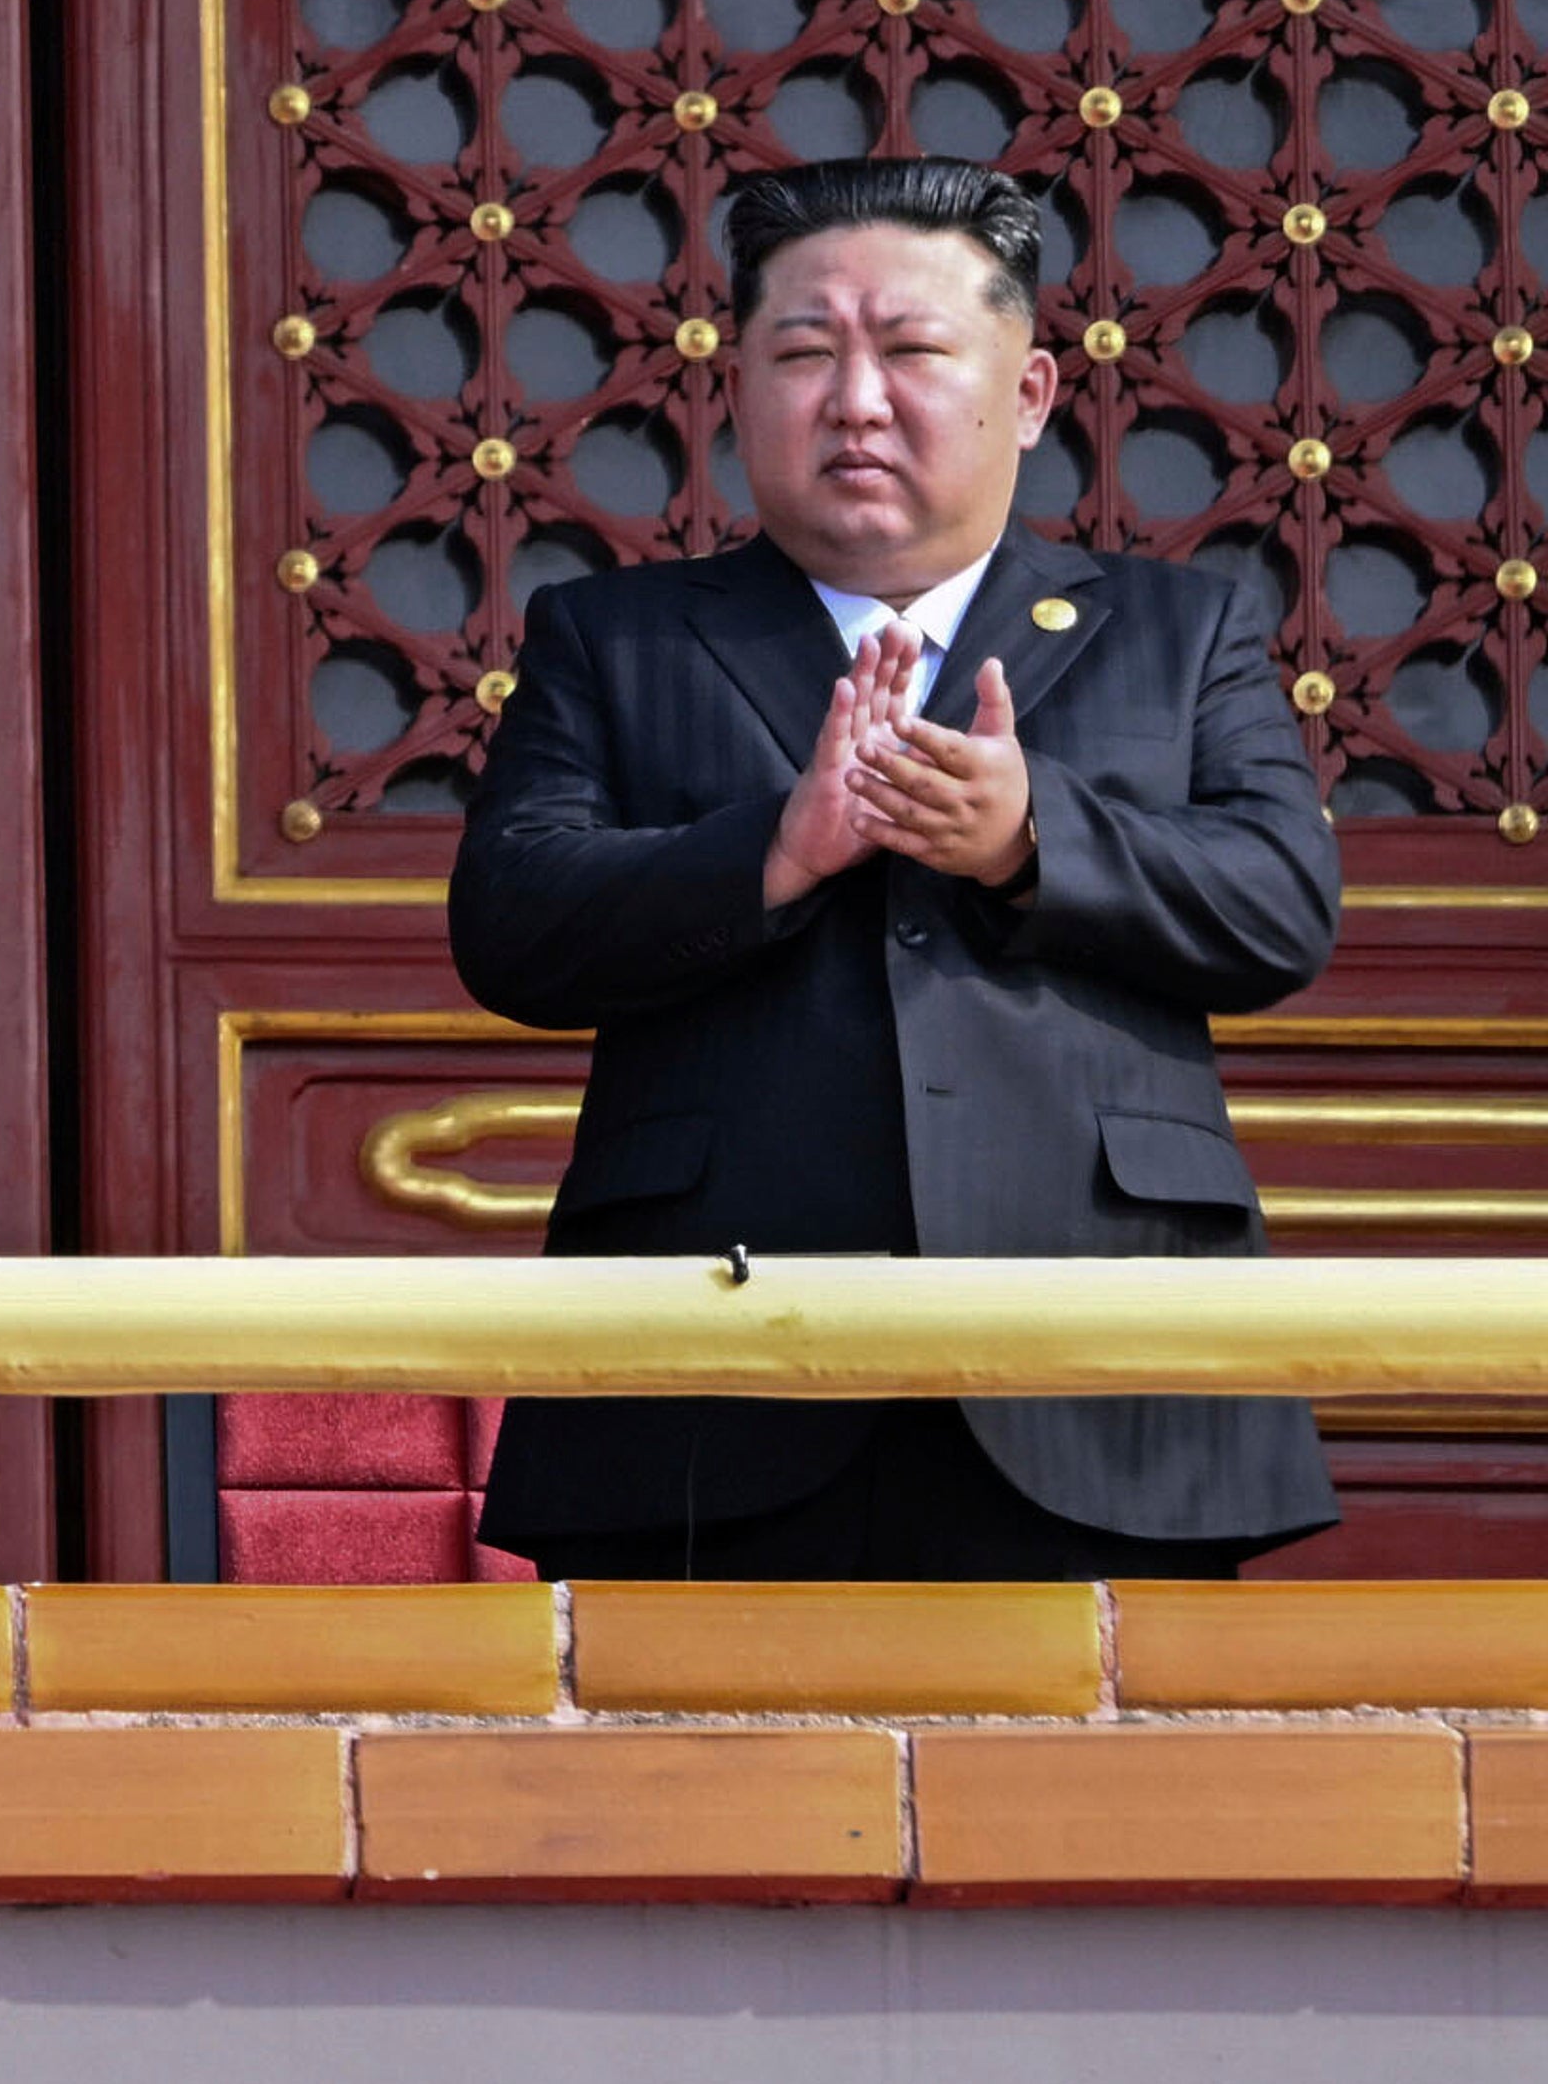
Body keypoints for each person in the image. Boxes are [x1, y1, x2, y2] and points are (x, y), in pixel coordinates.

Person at [452, 155, 1339, 1579]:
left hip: (1103, 1359)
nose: (856, 401)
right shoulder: (613, 636)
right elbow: (512, 919)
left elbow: (1280, 902)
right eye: (804, 353)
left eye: (913, 351)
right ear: (738, 387)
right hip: (713, 1370)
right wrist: (776, 852)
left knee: (1114, 1804)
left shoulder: (1181, 630)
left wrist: (1030, 836)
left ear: (1033, 391)